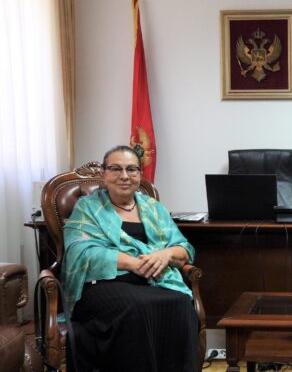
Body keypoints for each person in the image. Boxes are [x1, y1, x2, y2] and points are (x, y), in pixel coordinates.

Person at [62, 145, 199, 372]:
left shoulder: (154, 208)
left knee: (181, 303)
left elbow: (184, 248)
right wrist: (133, 263)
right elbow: (79, 251)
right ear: (104, 174)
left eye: (132, 169)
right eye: (116, 169)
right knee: (136, 307)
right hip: (104, 284)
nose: (124, 176)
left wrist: (165, 254)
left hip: (154, 280)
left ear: (139, 174)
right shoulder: (87, 207)